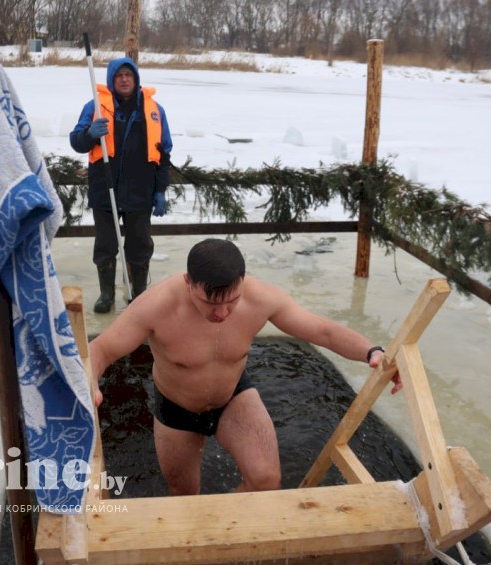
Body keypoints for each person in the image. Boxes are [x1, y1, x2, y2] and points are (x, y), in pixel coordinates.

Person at [89, 238, 401, 496]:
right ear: (188, 283)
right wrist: (88, 379)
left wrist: (371, 351)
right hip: (176, 406)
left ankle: (224, 534)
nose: (222, 313)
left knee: (265, 481)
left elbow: (323, 331)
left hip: (233, 397)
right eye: (210, 303)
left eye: (232, 301)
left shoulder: (260, 298)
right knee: (183, 492)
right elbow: (102, 349)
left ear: (242, 283)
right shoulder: (156, 306)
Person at [70, 57, 172, 313]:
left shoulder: (154, 111)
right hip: (105, 190)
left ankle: (139, 294)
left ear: (135, 79)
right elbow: (76, 142)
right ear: (111, 81)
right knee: (106, 245)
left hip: (141, 191)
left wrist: (160, 190)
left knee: (139, 245)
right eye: (119, 76)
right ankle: (107, 294)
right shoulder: (94, 108)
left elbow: (164, 152)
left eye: (129, 75)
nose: (124, 80)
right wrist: (89, 134)